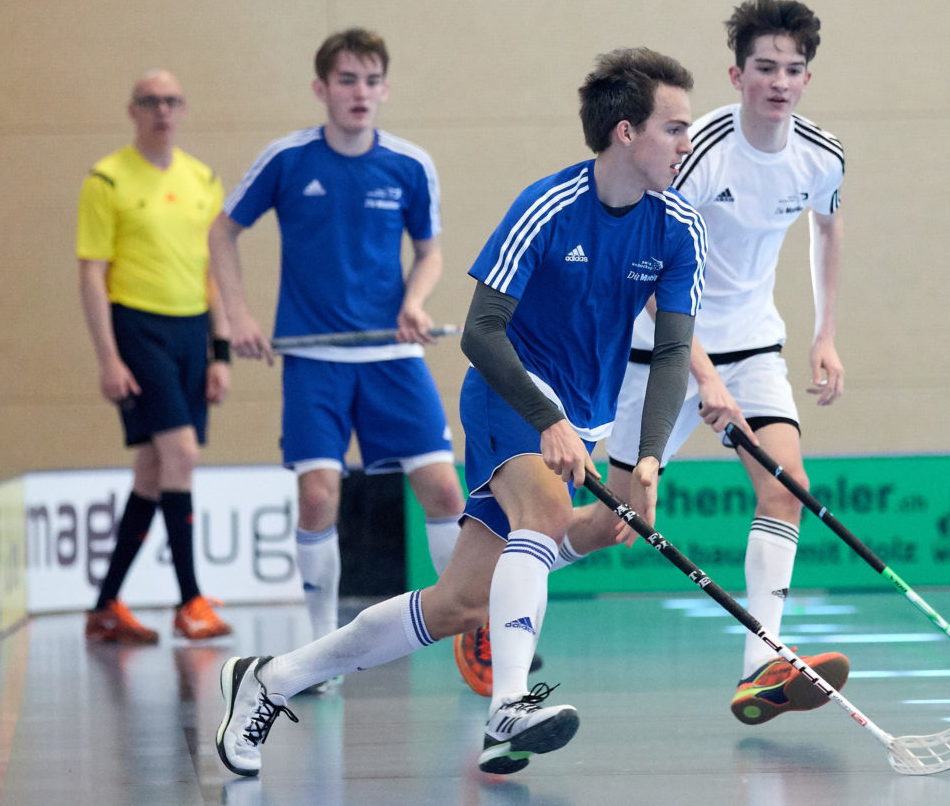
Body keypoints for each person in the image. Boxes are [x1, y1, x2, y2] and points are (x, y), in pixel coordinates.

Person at [214, 46, 705, 779]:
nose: (686, 144)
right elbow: (481, 330)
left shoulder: (675, 228)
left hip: (590, 415)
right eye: (675, 129)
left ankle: (271, 677)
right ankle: (508, 709)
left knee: (463, 601)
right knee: (541, 515)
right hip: (513, 394)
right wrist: (546, 417)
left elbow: (671, 354)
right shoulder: (547, 207)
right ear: (626, 133)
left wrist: (649, 457)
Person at [549, 0, 852, 725]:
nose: (779, 82)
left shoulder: (822, 155)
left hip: (752, 345)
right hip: (662, 352)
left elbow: (828, 232)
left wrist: (825, 333)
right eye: (764, 67)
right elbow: (649, 268)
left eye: (794, 69)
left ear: (808, 77)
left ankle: (763, 666)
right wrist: (701, 372)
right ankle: (498, 589)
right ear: (737, 72)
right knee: (613, 518)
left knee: (787, 488)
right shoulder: (703, 148)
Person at [207, 28, 467, 673]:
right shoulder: (288, 160)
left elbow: (429, 253)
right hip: (314, 361)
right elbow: (222, 231)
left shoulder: (410, 164)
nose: (360, 93)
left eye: (371, 80)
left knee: (444, 491)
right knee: (319, 495)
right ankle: (320, 645)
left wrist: (413, 302)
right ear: (322, 89)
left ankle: (472, 627)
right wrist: (237, 317)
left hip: (391, 358)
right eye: (347, 80)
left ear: (385, 89)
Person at [78, 70, 234, 643]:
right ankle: (190, 600)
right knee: (183, 455)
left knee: (153, 469)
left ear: (182, 108)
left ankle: (103, 607)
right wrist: (108, 357)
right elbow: (92, 275)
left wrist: (219, 353)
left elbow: (214, 271)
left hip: (192, 330)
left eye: (171, 101)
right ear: (133, 109)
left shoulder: (203, 179)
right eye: (150, 101)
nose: (162, 111)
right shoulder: (108, 180)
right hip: (137, 327)